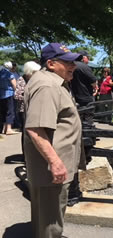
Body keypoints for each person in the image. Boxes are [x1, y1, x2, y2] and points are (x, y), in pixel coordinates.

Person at [24, 43, 85, 238]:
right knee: (50, 220)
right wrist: (55, 162)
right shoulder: (48, 86)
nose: (73, 66)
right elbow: (35, 128)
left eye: (73, 62)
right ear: (51, 63)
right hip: (51, 168)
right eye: (67, 62)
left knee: (47, 216)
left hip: (51, 165)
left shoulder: (53, 81)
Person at [14, 61, 41, 158]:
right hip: (23, 109)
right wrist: (28, 95)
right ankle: (26, 154)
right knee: (26, 132)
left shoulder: (36, 79)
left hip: (34, 108)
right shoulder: (22, 79)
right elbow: (17, 95)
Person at [0, 61, 18, 135]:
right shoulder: (9, 74)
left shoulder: (1, 73)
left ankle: (3, 128)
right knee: (10, 111)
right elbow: (14, 85)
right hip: (9, 94)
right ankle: (9, 129)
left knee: (2, 112)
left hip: (1, 94)